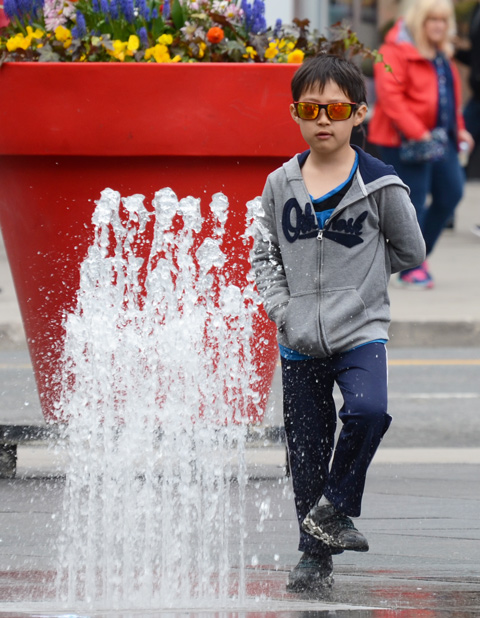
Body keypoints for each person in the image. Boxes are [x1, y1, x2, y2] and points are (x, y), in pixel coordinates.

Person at [251, 53, 425, 593]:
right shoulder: (279, 184)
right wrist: (286, 311)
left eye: (336, 108)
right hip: (299, 338)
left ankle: (337, 507)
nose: (323, 118)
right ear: (295, 114)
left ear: (359, 114)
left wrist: (362, 290)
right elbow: (265, 259)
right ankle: (314, 557)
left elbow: (410, 249)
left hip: (361, 332)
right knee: (305, 452)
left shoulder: (381, 183)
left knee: (370, 412)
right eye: (311, 108)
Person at [368, 0, 474, 288]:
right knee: (413, 203)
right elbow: (391, 99)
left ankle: (415, 256)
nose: (439, 26)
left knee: (451, 192)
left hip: (440, 140)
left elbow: (449, 99)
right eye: (432, 20)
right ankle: (412, 266)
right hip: (402, 140)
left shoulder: (442, 55)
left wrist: (460, 130)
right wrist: (418, 132)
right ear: (419, 21)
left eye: (443, 20)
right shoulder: (393, 51)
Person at [455, 0, 480, 237]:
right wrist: (454, 52)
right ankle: (447, 209)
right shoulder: (476, 9)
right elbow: (476, 54)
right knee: (459, 149)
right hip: (477, 98)